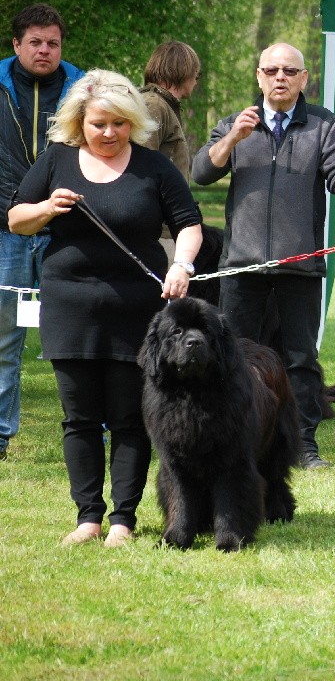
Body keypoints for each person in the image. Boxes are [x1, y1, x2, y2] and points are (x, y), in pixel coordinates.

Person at [7, 70, 202, 546]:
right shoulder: (56, 160)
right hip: (69, 308)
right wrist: (47, 208)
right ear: (80, 122)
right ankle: (88, 518)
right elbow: (15, 219)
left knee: (129, 418)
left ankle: (122, 521)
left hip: (137, 312)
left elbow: (189, 224)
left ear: (133, 122)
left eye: (119, 123)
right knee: (79, 419)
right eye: (98, 124)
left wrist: (182, 265)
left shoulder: (154, 168)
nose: (109, 133)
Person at [192, 42, 335, 469]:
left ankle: (303, 445)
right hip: (241, 265)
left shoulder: (324, 125)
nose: (280, 77)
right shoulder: (235, 124)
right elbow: (201, 172)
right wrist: (233, 138)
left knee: (300, 359)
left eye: (289, 71)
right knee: (234, 355)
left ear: (304, 78)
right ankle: (236, 440)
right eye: (271, 70)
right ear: (259, 76)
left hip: (300, 265)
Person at [0, 3, 83, 462]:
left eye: (52, 43)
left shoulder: (84, 89)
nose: (44, 50)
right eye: (35, 42)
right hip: (5, 228)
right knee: (3, 339)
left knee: (81, 335)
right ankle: (0, 435)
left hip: (66, 229)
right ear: (17, 44)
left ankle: (92, 428)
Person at [138, 41, 201, 182]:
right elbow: (142, 168)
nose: (196, 82)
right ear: (184, 71)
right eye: (196, 75)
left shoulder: (163, 105)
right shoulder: (154, 105)